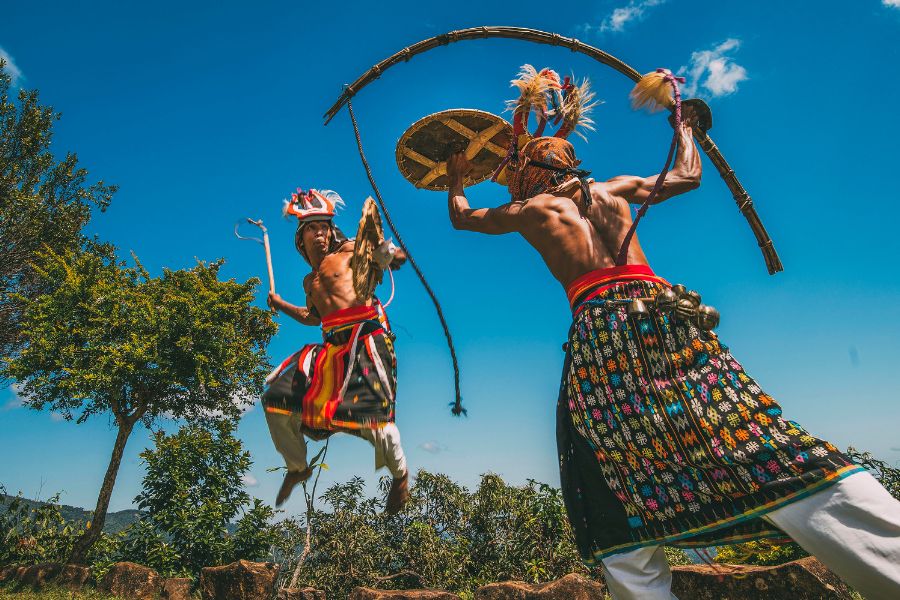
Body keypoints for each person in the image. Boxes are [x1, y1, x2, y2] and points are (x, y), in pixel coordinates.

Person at [443, 66, 900, 600]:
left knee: (604, 457)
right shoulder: (614, 189)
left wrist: (455, 177)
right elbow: (688, 176)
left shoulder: (530, 210)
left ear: (528, 173)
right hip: (666, 318)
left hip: (601, 333)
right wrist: (683, 127)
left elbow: (463, 218)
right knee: (743, 427)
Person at [263, 187, 410, 514]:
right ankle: (298, 466)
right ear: (301, 240)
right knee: (275, 400)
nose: (320, 233)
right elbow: (311, 317)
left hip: (367, 339)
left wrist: (390, 255)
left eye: (324, 226)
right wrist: (280, 304)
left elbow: (379, 254)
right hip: (331, 349)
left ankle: (400, 477)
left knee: (376, 422)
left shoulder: (348, 251)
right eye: (312, 228)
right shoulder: (309, 282)